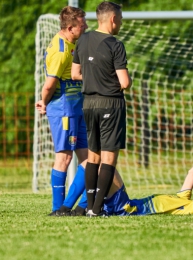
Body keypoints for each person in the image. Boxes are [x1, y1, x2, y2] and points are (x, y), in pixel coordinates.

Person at [55, 141, 193, 217]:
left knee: (97, 162)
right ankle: (74, 208)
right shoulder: (182, 201)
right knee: (93, 162)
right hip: (125, 203)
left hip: (125, 208)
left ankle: (75, 208)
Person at [71, 1, 132, 217]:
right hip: (110, 103)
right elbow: (124, 82)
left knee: (92, 157)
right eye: (121, 19)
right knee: (108, 159)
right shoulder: (115, 44)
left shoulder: (82, 40)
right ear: (113, 19)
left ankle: (88, 206)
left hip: (88, 104)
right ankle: (96, 210)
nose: (121, 23)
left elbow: (75, 74)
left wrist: (94, 78)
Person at [35, 6, 89, 216]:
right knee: (64, 158)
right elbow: (50, 84)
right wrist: (43, 101)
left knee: (90, 158)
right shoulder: (61, 50)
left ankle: (83, 206)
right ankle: (59, 208)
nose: (85, 28)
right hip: (64, 108)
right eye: (82, 25)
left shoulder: (70, 43)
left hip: (76, 107)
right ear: (70, 27)